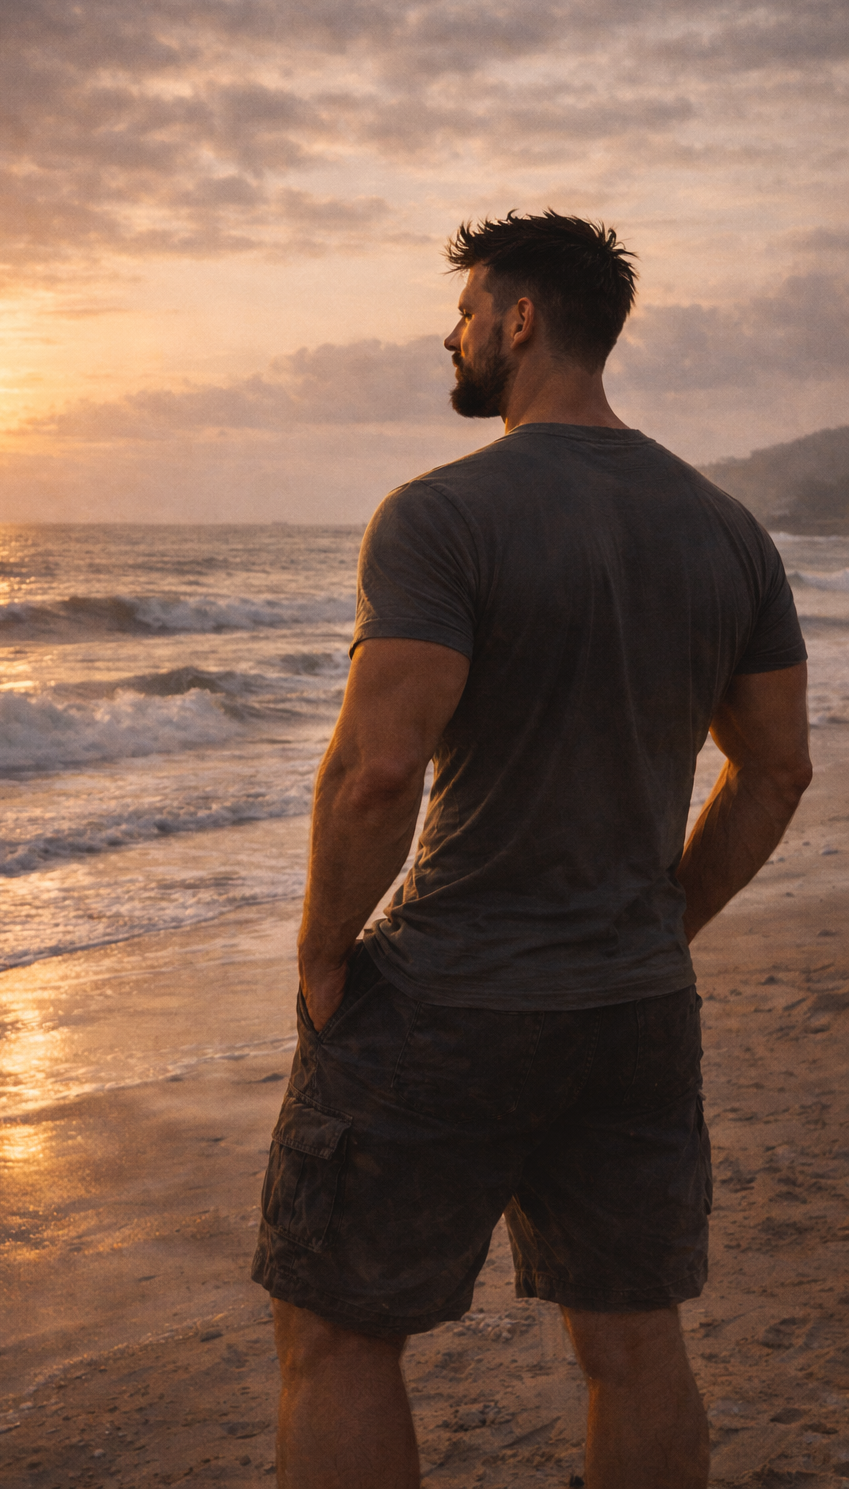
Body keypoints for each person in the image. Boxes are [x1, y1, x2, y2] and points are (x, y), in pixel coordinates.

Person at [251, 211, 812, 1489]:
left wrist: (324, 953)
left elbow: (376, 770)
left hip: (454, 994)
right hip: (633, 1007)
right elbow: (777, 767)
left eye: (464, 313)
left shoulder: (441, 516)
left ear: (518, 321)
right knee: (630, 1337)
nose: (449, 337)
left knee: (336, 1336)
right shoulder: (728, 530)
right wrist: (661, 925)